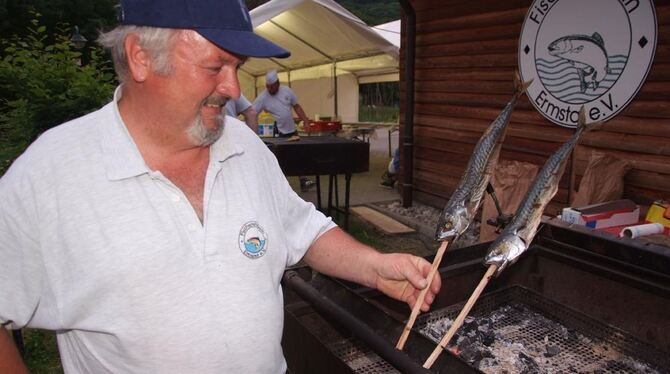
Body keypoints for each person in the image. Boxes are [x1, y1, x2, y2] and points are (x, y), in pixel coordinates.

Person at [0, 1, 441, 373]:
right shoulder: (52, 174)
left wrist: (373, 265)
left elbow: (301, 230)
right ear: (140, 57)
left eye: (237, 67)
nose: (232, 87)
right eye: (215, 66)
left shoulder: (243, 144)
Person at [253, 69, 315, 192]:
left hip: (292, 131)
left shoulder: (286, 91)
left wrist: (306, 121)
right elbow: (252, 113)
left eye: (272, 87)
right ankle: (281, 188)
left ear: (278, 84)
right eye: (268, 87)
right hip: (277, 133)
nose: (270, 89)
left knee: (299, 156)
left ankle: (303, 181)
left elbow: (297, 106)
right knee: (282, 159)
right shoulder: (262, 97)